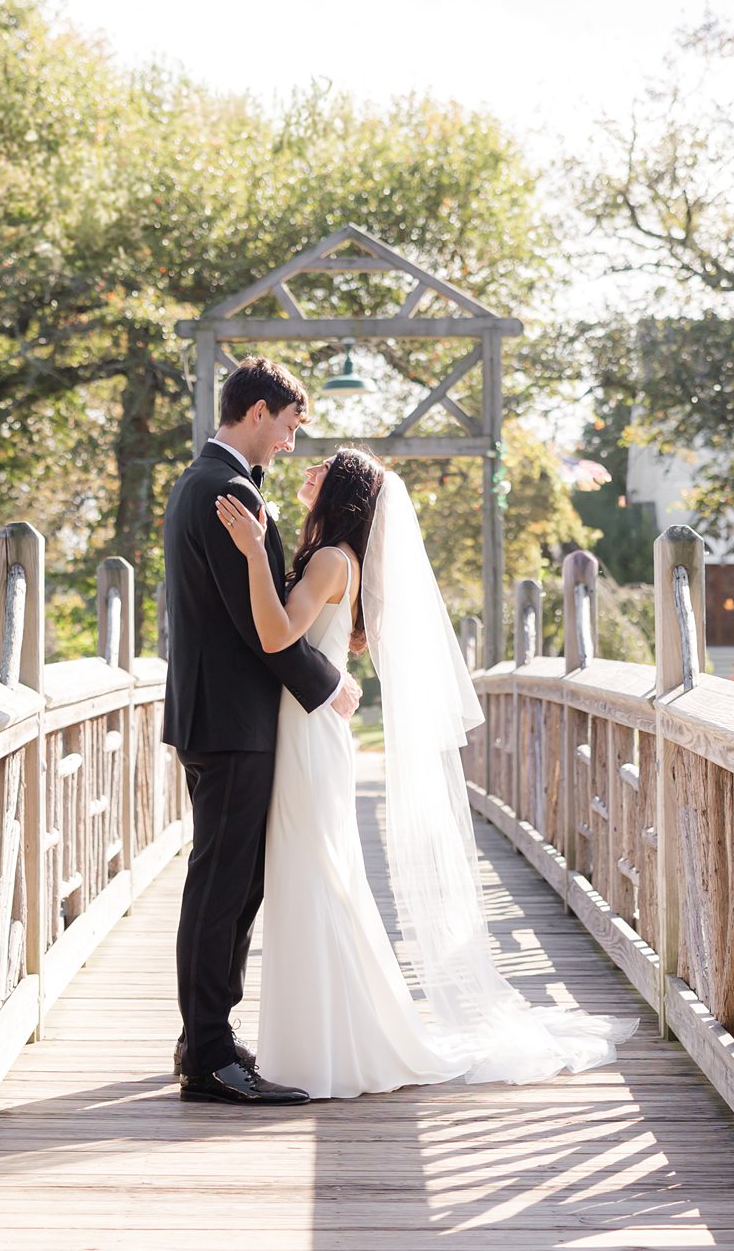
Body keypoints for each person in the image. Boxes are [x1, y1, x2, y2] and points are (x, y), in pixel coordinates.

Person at [214, 446, 634, 1099]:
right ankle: (326, 1042)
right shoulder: (336, 559)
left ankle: (332, 1049)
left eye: (323, 466)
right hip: (310, 731)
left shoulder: (330, 561)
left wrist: (250, 551)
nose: (307, 469)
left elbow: (275, 637)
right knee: (318, 877)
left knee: (314, 877)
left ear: (342, 490)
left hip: (307, 736)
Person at [160, 356, 359, 1105]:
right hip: (233, 720)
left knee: (232, 884)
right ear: (257, 410)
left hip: (220, 714)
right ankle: (209, 1055)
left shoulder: (204, 481)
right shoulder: (227, 490)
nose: (290, 442)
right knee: (222, 887)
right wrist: (327, 686)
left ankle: (204, 1035)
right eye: (287, 424)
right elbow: (258, 626)